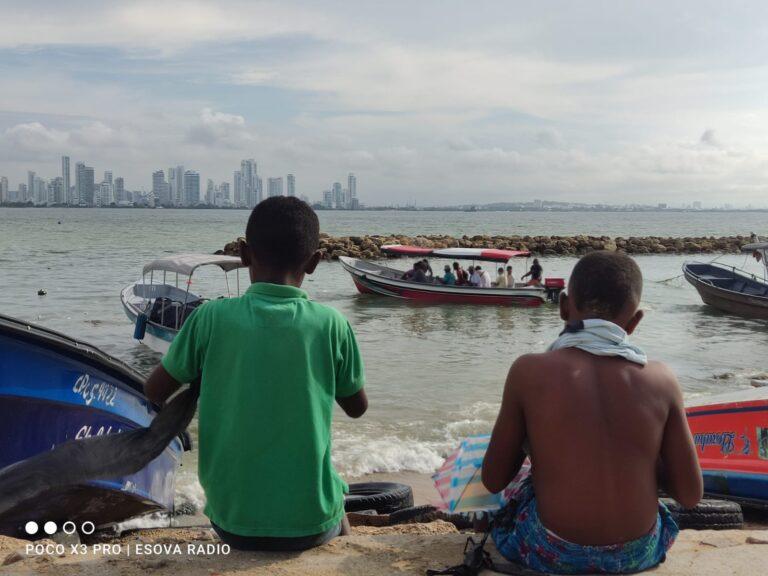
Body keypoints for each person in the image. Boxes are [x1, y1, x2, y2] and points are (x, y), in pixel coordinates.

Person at [144, 197, 368, 552]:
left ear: (245, 254)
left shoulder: (209, 318)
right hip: (310, 523)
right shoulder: (332, 324)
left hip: (231, 521)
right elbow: (357, 407)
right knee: (337, 504)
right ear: (313, 262)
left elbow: (154, 390)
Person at [482, 251, 701, 574]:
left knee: (521, 495)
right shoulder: (662, 379)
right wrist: (645, 457)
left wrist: (532, 445)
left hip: (552, 550)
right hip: (637, 551)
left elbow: (493, 479)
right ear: (635, 321)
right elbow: (690, 494)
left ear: (563, 306)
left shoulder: (528, 372)